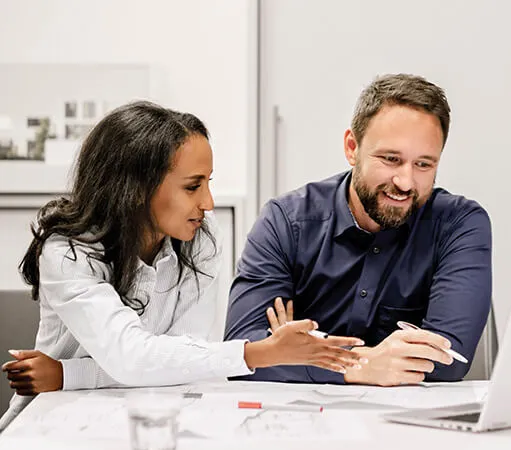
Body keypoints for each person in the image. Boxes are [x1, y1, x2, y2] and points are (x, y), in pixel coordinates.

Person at [0, 101, 364, 430]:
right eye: (192, 187)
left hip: (141, 416)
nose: (208, 202)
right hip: (51, 425)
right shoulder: (67, 251)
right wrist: (260, 352)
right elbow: (134, 359)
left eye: (208, 183)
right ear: (137, 188)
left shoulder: (201, 238)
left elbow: (183, 360)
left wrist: (67, 373)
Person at [225, 74, 493, 386]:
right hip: (303, 423)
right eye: (391, 159)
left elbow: (450, 358)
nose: (406, 182)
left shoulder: (459, 225)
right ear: (352, 148)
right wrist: (360, 366)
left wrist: (302, 351)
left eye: (423, 165)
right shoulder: (286, 222)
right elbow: (241, 354)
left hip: (411, 424)